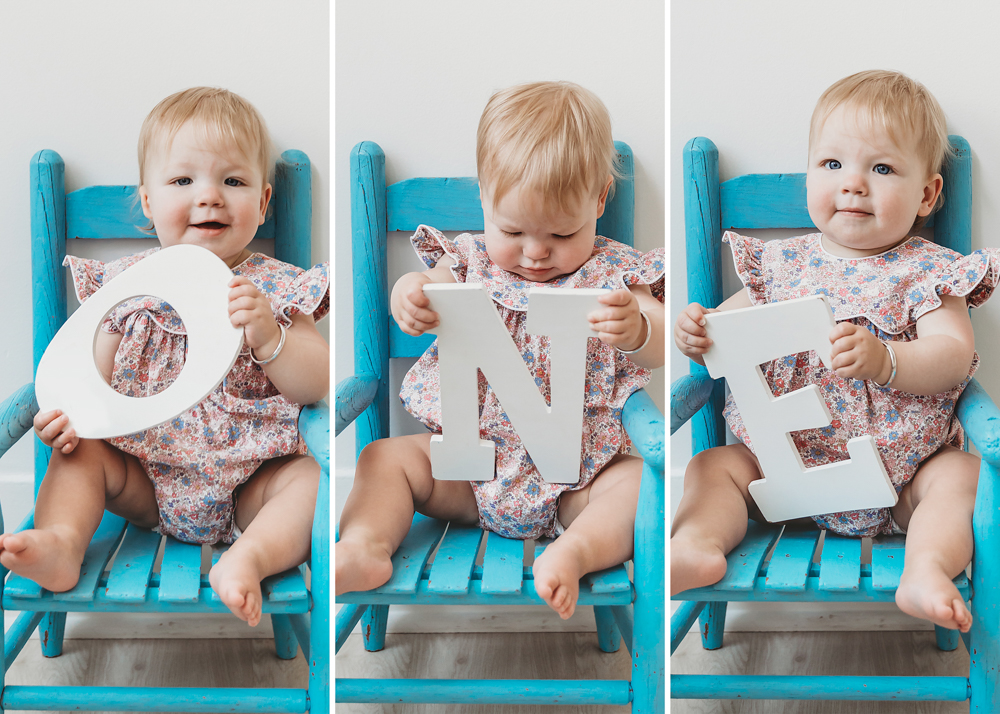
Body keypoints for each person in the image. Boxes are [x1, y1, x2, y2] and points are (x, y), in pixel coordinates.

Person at [672, 70, 996, 632]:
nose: (853, 184)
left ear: (927, 194)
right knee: (712, 466)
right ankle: (696, 545)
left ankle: (926, 568)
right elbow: (726, 338)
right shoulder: (780, 266)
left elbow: (952, 355)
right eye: (831, 165)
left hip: (900, 477)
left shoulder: (929, 273)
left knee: (962, 475)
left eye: (882, 168)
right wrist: (700, 332)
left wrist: (886, 360)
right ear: (808, 177)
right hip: (781, 469)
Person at [1, 87, 329, 627]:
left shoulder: (275, 288)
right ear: (149, 201)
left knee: (308, 481)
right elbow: (86, 377)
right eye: (183, 181)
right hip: (144, 478)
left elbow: (314, 382)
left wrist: (270, 337)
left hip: (252, 480)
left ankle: (247, 559)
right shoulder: (126, 288)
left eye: (234, 180)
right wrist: (65, 420)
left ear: (264, 201)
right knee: (78, 457)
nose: (210, 196)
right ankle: (60, 543)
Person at [336, 81, 665, 620]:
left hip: (576, 482)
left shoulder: (615, 271)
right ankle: (366, 546)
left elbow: (652, 335)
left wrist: (637, 327)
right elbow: (428, 283)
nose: (535, 253)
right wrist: (410, 296)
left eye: (562, 234)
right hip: (466, 471)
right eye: (512, 229)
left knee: (635, 485)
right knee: (383, 458)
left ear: (599, 200)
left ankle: (575, 551)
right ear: (484, 196)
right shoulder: (467, 260)